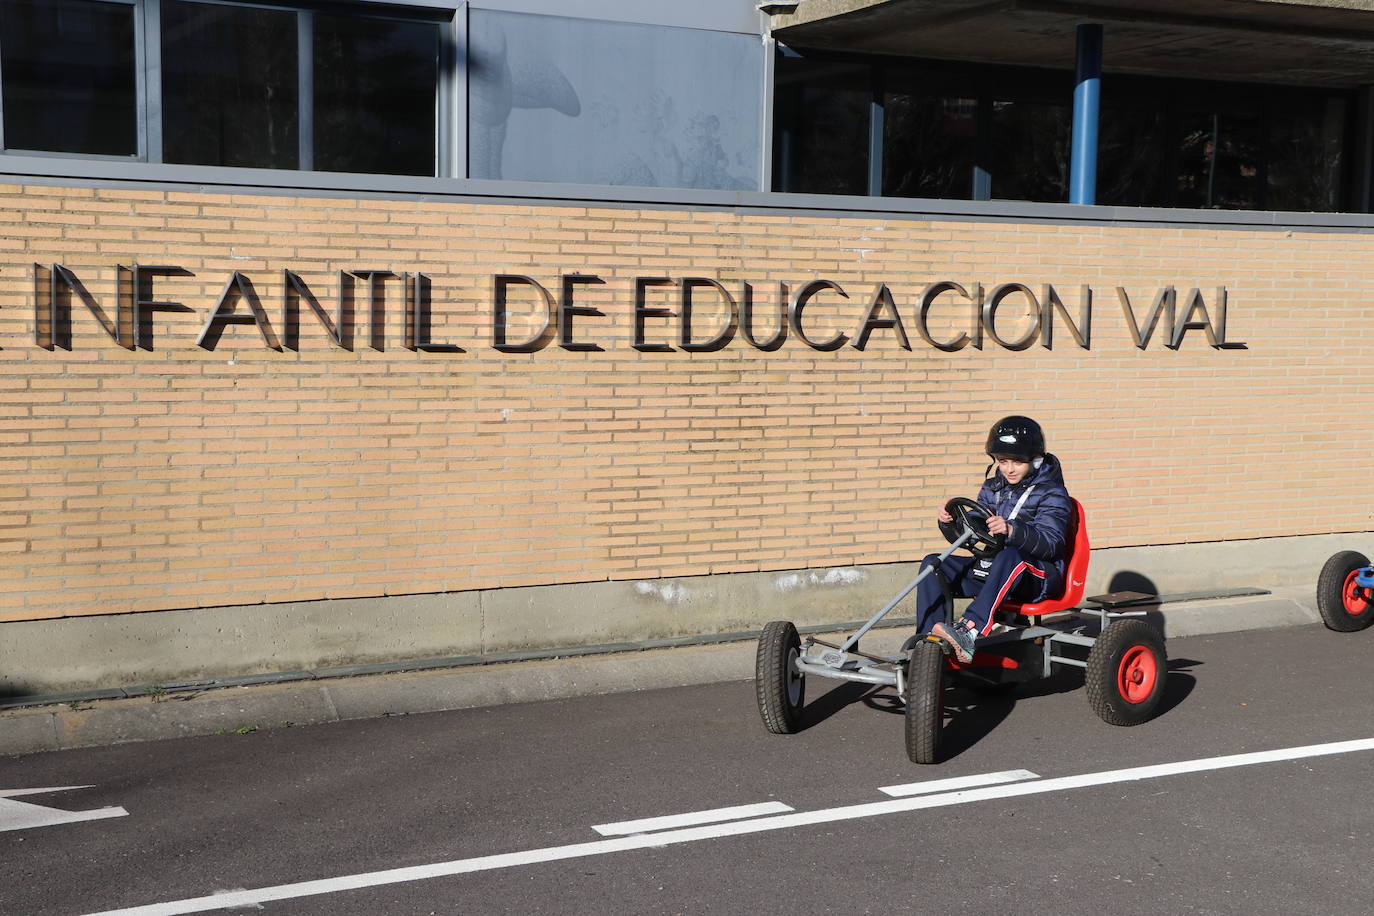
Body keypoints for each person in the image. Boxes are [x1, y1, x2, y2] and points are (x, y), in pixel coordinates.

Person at [917, 416, 1072, 663]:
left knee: (1011, 556)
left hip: (1037, 577)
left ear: (1035, 459)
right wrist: (950, 522)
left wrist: (1012, 531)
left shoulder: (1052, 493)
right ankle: (927, 644)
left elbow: (1051, 543)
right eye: (1002, 461)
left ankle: (969, 630)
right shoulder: (992, 487)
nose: (1009, 469)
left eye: (1018, 462)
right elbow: (974, 533)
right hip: (996, 570)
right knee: (934, 563)